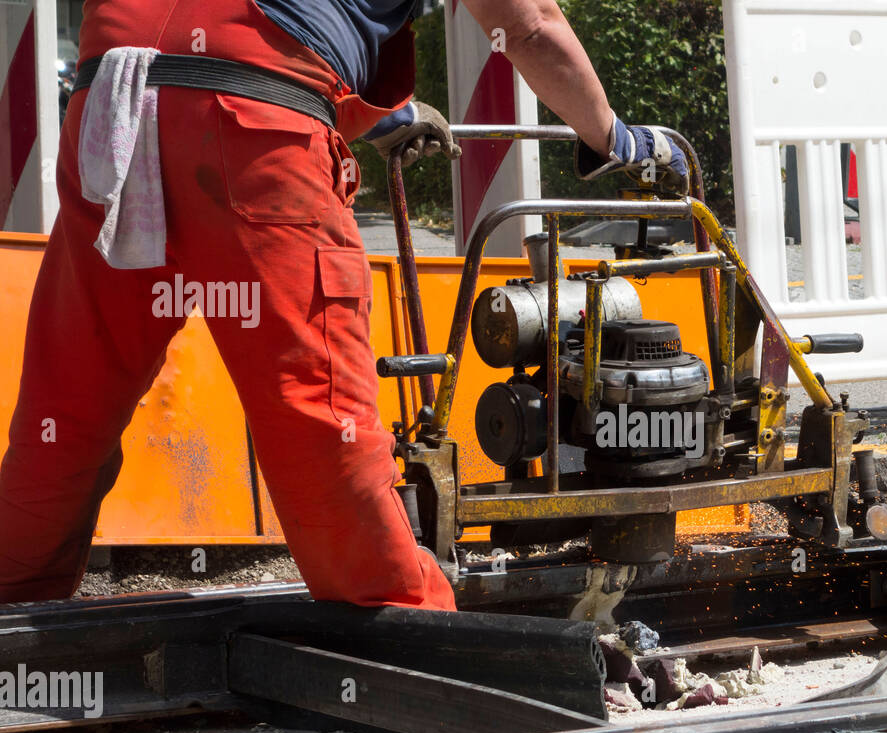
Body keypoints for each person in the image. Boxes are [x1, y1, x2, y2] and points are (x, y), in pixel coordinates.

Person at [0, 0, 686, 609]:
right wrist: (615, 142)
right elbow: (531, 27)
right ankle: (400, 620)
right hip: (249, 123)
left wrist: (378, 109)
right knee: (318, 415)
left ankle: (11, 600)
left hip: (108, 107)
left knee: (67, 406)